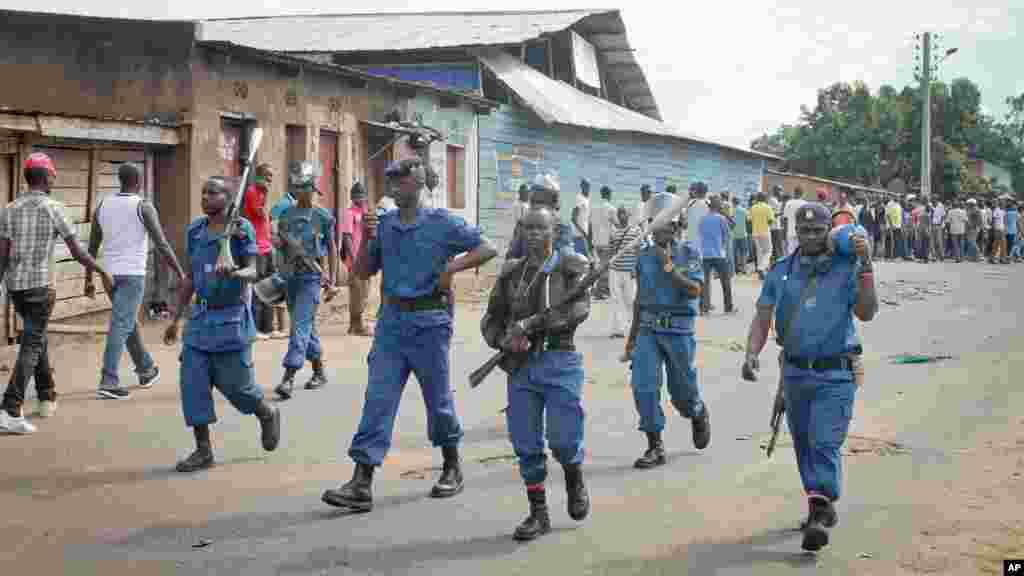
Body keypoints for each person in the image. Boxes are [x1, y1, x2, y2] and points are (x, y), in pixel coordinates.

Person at [322, 157, 497, 512]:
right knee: (378, 399)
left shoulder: (441, 222)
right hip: (391, 324)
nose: (393, 187)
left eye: (400, 181)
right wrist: (366, 238)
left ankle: (452, 465)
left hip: (430, 322)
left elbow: (487, 247)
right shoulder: (384, 226)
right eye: (391, 181)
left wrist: (452, 267)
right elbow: (360, 271)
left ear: (417, 184)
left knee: (438, 400)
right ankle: (362, 481)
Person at [741, 202, 878, 552]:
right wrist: (751, 353)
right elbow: (762, 317)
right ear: (795, 233)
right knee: (803, 444)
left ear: (827, 232)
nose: (812, 236)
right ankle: (818, 505)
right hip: (795, 373)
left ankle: (821, 508)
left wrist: (866, 268)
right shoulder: (780, 271)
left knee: (823, 441)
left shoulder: (847, 265)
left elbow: (867, 312)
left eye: (818, 230)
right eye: (805, 231)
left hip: (835, 374)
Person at [480, 196, 591, 540]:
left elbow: (579, 310)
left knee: (562, 439)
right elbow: (491, 320)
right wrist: (504, 342)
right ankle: (537, 513)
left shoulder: (570, 265)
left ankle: (574, 478)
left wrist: (534, 325)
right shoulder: (512, 272)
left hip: (559, 359)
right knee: (525, 442)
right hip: (521, 367)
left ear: (554, 231)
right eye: (527, 227)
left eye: (540, 228)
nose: (533, 234)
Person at [162, 176, 281, 472]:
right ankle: (203, 451)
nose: (205, 196)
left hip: (231, 319)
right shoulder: (196, 230)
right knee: (193, 386)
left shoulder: (241, 231)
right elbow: (190, 277)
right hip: (200, 320)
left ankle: (266, 412)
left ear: (228, 198)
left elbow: (254, 272)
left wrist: (234, 273)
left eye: (213, 192)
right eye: (203, 191)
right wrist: (176, 318)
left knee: (237, 388)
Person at [0, 153, 114, 432]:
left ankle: (46, 396)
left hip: (16, 287)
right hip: (41, 287)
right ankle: (10, 408)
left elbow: (2, 255)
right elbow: (77, 252)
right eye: (53, 175)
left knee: (36, 338)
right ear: (47, 177)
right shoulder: (55, 208)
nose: (55, 179)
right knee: (32, 344)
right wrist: (101, 270)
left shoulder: (9, 209)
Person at [624, 193, 710, 469]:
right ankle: (654, 445)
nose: (660, 228)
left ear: (676, 226)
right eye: (654, 223)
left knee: (682, 393)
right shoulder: (644, 256)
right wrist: (631, 340)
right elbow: (639, 299)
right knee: (644, 387)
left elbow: (695, 289)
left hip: (678, 331)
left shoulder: (689, 253)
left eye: (666, 223)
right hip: (648, 329)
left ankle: (697, 412)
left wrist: (669, 266)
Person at [86, 162, 185, 400]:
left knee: (126, 322)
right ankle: (108, 380)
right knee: (121, 324)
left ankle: (145, 369)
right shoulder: (143, 206)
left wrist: (89, 277)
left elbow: (91, 247)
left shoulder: (102, 206)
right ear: (138, 182)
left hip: (108, 275)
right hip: (132, 275)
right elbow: (161, 244)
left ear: (119, 180)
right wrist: (180, 272)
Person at [273, 162, 340, 400]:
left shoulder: (322, 216)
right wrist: (279, 245)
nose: (300, 190)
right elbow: (279, 248)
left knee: (299, 327)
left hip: (312, 278)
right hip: (290, 277)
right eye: (296, 186)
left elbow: (331, 247)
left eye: (304, 186)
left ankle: (288, 377)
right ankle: (319, 371)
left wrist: (332, 279)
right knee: (305, 327)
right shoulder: (285, 214)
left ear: (313, 187)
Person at [243, 163, 275, 339]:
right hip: (257, 247)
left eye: (271, 176)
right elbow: (261, 214)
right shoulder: (252, 192)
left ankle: (268, 328)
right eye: (268, 176)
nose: (270, 180)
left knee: (269, 288)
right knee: (258, 289)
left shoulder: (262, 192)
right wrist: (267, 194)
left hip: (267, 245)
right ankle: (254, 329)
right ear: (259, 176)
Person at [340, 181, 371, 336]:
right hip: (355, 259)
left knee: (364, 292)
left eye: (362, 195)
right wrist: (354, 259)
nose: (360, 198)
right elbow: (347, 237)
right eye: (357, 196)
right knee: (357, 293)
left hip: (366, 258)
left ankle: (356, 324)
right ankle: (355, 325)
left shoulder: (365, 211)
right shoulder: (349, 213)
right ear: (352, 197)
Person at [699, 196, 736, 315]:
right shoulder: (721, 219)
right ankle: (728, 307)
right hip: (719, 254)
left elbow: (700, 234)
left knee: (704, 282)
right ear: (717, 206)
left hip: (705, 254)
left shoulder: (702, 219)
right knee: (725, 282)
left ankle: (704, 308)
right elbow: (727, 235)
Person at [608, 205, 641, 338]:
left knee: (630, 300)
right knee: (616, 300)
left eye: (624, 213)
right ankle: (618, 329)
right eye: (620, 213)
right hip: (614, 270)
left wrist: (636, 268)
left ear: (629, 216)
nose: (622, 216)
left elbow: (639, 251)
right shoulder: (614, 233)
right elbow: (611, 252)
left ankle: (634, 326)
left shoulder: (636, 231)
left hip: (629, 271)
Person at [590, 186, 615, 300]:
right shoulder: (611, 208)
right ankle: (599, 291)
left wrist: (590, 241)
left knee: (601, 266)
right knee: (605, 267)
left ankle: (602, 289)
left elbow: (590, 226)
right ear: (609, 194)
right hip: (606, 242)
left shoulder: (594, 207)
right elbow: (618, 225)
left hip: (596, 242)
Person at [749, 193, 775, 280]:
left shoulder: (753, 207)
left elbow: (749, 220)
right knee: (768, 251)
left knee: (759, 253)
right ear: (765, 199)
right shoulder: (768, 207)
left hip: (755, 232)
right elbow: (771, 220)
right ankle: (762, 268)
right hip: (765, 232)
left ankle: (761, 272)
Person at [784, 189, 808, 255]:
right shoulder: (805, 204)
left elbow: (785, 219)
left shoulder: (788, 203)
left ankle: (790, 264)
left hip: (790, 231)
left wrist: (785, 232)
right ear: (803, 194)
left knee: (790, 251)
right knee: (800, 251)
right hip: (802, 231)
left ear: (794, 193)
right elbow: (808, 218)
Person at [572, 178, 592, 259]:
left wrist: (589, 232)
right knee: (584, 259)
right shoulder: (579, 199)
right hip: (579, 235)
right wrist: (582, 232)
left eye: (589, 186)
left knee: (584, 259)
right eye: (586, 185)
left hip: (584, 235)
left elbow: (586, 217)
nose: (588, 188)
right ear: (581, 186)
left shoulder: (587, 199)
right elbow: (573, 218)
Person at [732, 196, 750, 275]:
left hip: (734, 235)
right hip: (743, 234)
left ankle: (736, 268)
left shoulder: (732, 211)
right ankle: (744, 268)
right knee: (744, 252)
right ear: (739, 202)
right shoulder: (744, 210)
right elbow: (748, 220)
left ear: (733, 202)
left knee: (735, 253)